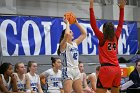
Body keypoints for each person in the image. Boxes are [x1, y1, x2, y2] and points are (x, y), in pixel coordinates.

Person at [89, 0, 126, 93]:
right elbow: (121, 24)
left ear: (104, 29)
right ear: (113, 29)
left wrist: (91, 5)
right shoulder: (116, 36)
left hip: (106, 69)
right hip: (117, 69)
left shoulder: (102, 38)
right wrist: (122, 8)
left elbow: (93, 25)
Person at [57, 15, 87, 93]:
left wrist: (76, 23)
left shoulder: (75, 43)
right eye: (70, 31)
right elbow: (66, 34)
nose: (72, 32)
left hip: (76, 70)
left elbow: (84, 34)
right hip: (67, 70)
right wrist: (67, 23)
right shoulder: (63, 45)